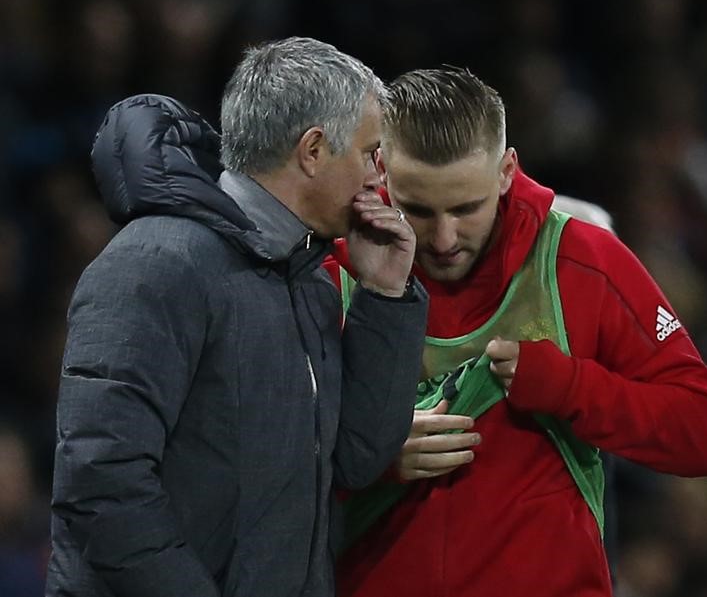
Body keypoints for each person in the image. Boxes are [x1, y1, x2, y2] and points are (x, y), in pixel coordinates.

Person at [327, 67, 707, 597]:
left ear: (506, 171)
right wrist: (365, 455)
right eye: (419, 210)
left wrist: (569, 387)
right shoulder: (332, 273)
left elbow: (703, 436)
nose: (445, 238)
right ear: (382, 172)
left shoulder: (582, 262)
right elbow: (256, 461)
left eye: (466, 208)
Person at [46, 37, 429, 597]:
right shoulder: (155, 263)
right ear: (314, 150)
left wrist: (385, 296)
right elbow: (101, 485)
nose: (380, 177)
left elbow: (356, 459)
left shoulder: (306, 278)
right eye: (371, 152)